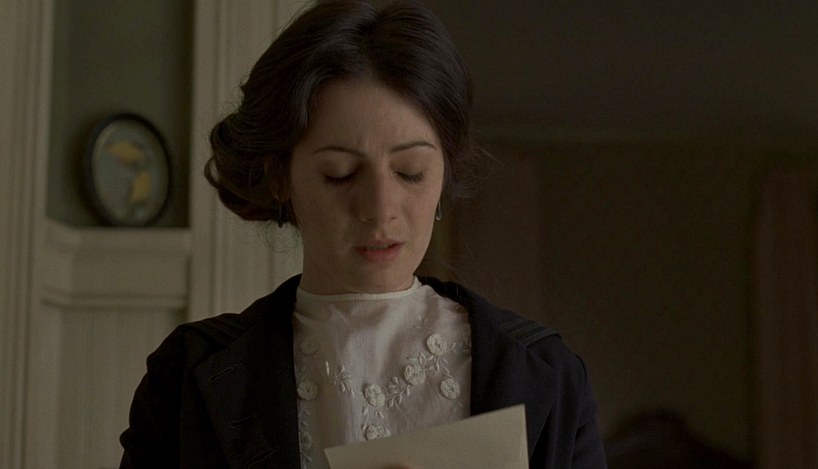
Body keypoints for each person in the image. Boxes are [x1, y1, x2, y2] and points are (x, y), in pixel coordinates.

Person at [119, 1, 607, 468]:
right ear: (280, 177)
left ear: (444, 174)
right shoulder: (185, 375)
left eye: (411, 172)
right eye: (340, 174)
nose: (380, 211)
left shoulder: (549, 372)